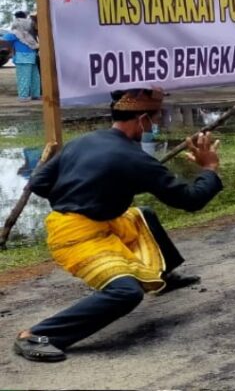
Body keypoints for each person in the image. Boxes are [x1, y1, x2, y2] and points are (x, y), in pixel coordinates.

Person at [13, 88, 222, 362]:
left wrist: (79, 196)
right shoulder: (135, 159)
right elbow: (191, 201)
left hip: (81, 222)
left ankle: (163, 276)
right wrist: (209, 170)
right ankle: (37, 336)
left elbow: (38, 183)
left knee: (142, 214)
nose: (157, 124)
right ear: (143, 119)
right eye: (157, 118)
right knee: (126, 293)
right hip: (76, 238)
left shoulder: (83, 141)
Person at [2, 11, 41, 101]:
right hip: (33, 56)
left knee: (23, 77)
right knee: (34, 76)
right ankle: (36, 95)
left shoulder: (15, 33)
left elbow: (4, 40)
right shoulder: (30, 31)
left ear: (16, 18)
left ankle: (23, 96)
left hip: (21, 57)